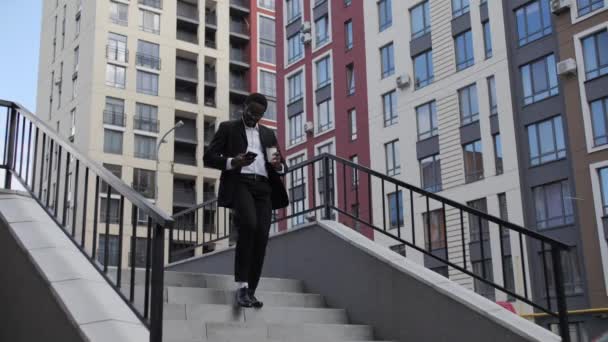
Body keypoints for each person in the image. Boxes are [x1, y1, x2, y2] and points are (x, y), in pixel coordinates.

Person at [203, 93, 289, 308]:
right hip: (240, 183)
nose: (253, 117)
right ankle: (241, 287)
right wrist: (234, 161)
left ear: (263, 115)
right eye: (250, 112)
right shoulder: (228, 128)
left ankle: (251, 290)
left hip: (264, 187)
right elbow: (209, 158)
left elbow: (281, 165)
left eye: (258, 115)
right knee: (248, 225)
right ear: (244, 107)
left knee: (261, 236)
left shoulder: (269, 134)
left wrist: (279, 166)